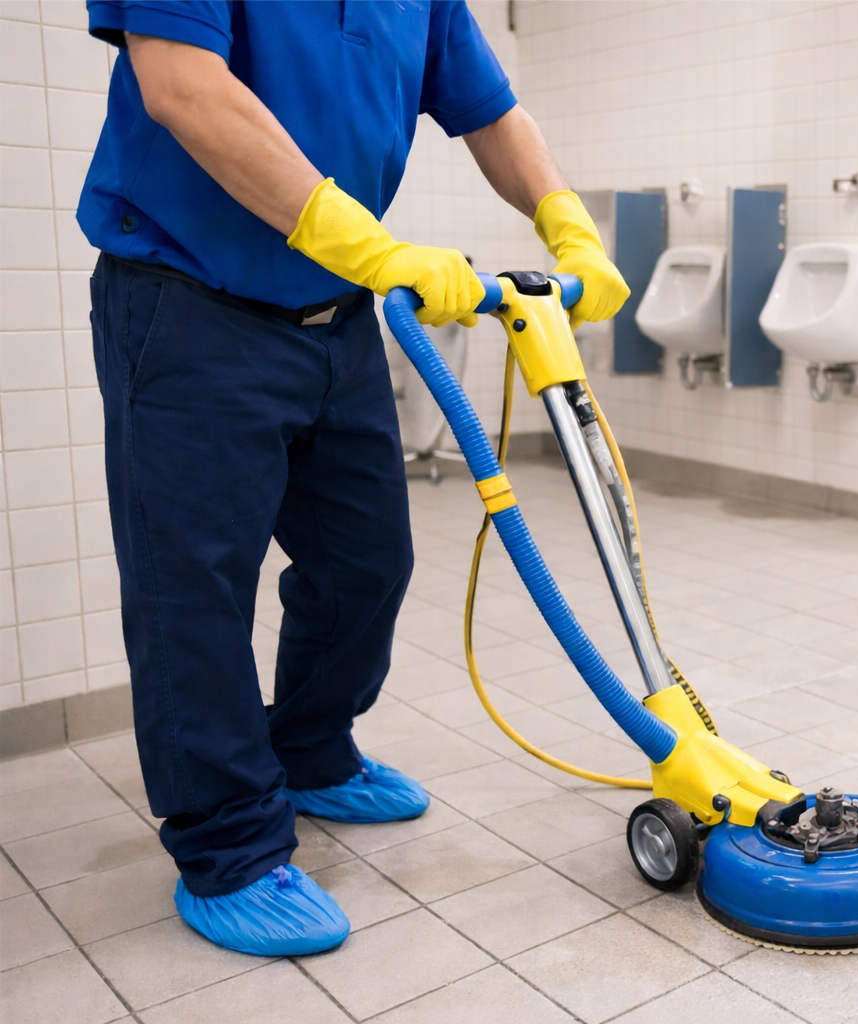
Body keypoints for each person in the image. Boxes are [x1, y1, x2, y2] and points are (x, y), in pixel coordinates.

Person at [79, 0, 627, 957]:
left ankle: (310, 748)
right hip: (186, 303)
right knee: (192, 589)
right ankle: (229, 846)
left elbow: (492, 113)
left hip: (337, 317)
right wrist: (371, 247)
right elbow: (180, 86)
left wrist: (566, 221)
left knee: (367, 559)